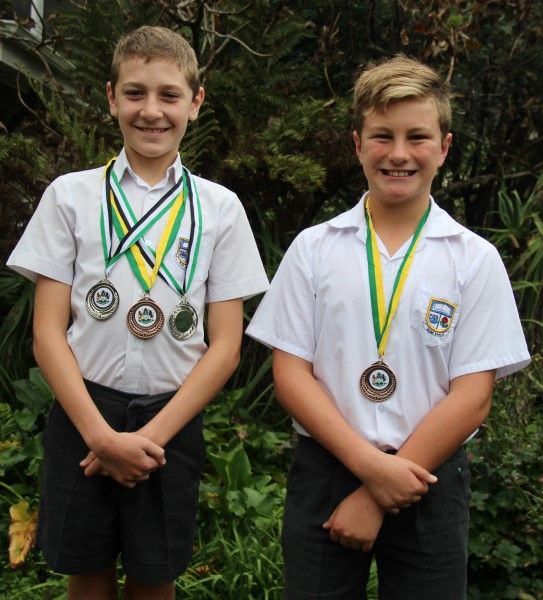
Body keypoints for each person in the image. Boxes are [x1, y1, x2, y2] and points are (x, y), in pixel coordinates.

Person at [246, 54, 530, 599]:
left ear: (444, 148)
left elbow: (473, 397)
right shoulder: (314, 249)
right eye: (382, 136)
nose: (399, 153)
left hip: (430, 472)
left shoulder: (473, 259)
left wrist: (382, 489)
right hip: (328, 468)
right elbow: (291, 376)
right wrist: (371, 471)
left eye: (417, 137)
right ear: (357, 144)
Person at [7, 25, 269, 600]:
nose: (151, 110)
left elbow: (226, 346)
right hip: (84, 412)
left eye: (169, 95)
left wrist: (149, 437)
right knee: (86, 573)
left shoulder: (220, 209)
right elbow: (47, 333)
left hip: (170, 419)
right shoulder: (70, 196)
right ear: (111, 98)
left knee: (155, 578)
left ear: (195, 103)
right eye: (135, 93)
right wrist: (100, 436)